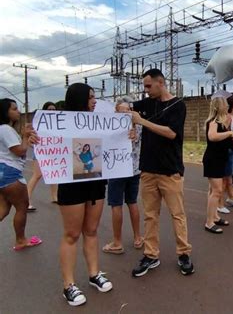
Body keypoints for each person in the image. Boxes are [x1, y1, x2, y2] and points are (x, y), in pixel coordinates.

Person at [34, 84, 113, 306]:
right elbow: (43, 140)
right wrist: (32, 138)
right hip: (71, 184)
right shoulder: (59, 124)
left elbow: (114, 142)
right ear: (78, 99)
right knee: (72, 234)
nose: (94, 101)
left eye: (95, 97)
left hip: (95, 181)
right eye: (90, 97)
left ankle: (94, 273)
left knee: (91, 230)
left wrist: (128, 134)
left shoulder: (99, 122)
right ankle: (68, 285)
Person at [130, 69, 194, 277]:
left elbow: (170, 133)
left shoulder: (178, 105)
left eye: (148, 86)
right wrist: (124, 109)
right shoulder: (147, 103)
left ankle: (183, 254)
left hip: (170, 171)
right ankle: (150, 255)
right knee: (150, 216)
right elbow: (125, 108)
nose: (145, 90)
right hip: (148, 170)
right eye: (144, 86)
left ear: (161, 83)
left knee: (177, 215)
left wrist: (141, 121)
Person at [102, 98, 143, 255]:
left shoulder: (112, 127)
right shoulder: (139, 126)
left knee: (116, 204)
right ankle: (138, 237)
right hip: (134, 170)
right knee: (132, 202)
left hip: (117, 170)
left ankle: (117, 242)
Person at [0, 98, 41, 251]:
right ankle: (21, 240)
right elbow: (20, 151)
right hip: (10, 172)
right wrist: (24, 137)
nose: (18, 111)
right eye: (14, 109)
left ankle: (21, 239)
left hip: (4, 172)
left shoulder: (4, 129)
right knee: (22, 207)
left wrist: (26, 139)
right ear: (6, 112)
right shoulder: (5, 129)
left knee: (3, 208)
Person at [202, 97, 233, 234]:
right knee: (216, 191)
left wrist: (231, 132)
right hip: (213, 159)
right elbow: (212, 136)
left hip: (219, 159)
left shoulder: (221, 121)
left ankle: (215, 217)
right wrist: (229, 133)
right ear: (220, 106)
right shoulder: (214, 122)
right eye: (226, 104)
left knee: (213, 190)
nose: (228, 105)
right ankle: (209, 222)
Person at [27, 101, 58, 211]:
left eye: (54, 110)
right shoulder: (37, 124)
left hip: (54, 151)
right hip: (40, 151)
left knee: (54, 174)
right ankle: (27, 200)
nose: (52, 112)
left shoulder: (58, 124)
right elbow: (30, 138)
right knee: (37, 175)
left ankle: (55, 196)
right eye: (49, 110)